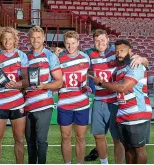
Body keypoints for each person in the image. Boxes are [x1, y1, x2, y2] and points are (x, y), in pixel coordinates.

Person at [55, 29, 149, 164]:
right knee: (98, 136)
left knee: (118, 139)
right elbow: (73, 53)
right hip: (99, 100)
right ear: (93, 42)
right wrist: (59, 52)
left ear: (108, 40)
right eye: (97, 41)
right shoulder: (89, 54)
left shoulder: (117, 53)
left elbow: (140, 61)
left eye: (103, 40)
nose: (100, 43)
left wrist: (143, 59)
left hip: (116, 100)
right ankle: (104, 162)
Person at [90, 39, 152, 164]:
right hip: (123, 114)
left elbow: (123, 87)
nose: (119, 53)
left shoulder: (136, 65)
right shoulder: (118, 69)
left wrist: (101, 83)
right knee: (128, 149)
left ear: (130, 51)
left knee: (139, 149)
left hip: (137, 113)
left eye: (122, 50)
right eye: (117, 51)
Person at [0, 27, 29, 164]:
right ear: (0, 40)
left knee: (19, 139)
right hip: (0, 103)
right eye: (4, 38)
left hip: (18, 103)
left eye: (10, 38)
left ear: (15, 40)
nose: (7, 41)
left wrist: (16, 85)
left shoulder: (21, 56)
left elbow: (26, 81)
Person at [24, 26, 63, 164]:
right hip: (27, 106)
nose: (35, 40)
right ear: (29, 39)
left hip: (44, 105)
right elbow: (21, 80)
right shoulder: (25, 57)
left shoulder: (50, 56)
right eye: (33, 37)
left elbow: (59, 82)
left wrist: (44, 86)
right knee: (30, 141)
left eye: (38, 37)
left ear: (44, 38)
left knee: (41, 140)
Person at [57, 31, 90, 164]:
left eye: (72, 43)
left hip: (82, 103)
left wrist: (89, 85)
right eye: (67, 44)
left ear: (78, 43)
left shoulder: (85, 58)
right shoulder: (59, 59)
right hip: (64, 103)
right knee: (65, 137)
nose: (70, 46)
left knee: (80, 137)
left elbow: (91, 74)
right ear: (64, 44)